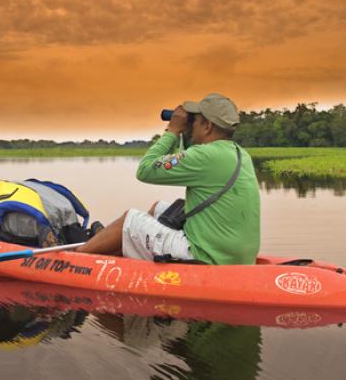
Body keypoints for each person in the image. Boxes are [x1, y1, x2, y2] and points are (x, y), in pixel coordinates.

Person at [77, 93, 260, 265]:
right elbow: (183, 159)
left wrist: (172, 131)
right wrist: (185, 135)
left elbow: (146, 170)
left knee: (130, 220)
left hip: (206, 256)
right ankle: (116, 252)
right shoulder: (239, 154)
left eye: (194, 121)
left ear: (207, 126)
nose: (191, 125)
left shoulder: (204, 156)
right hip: (236, 255)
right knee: (159, 208)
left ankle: (75, 260)